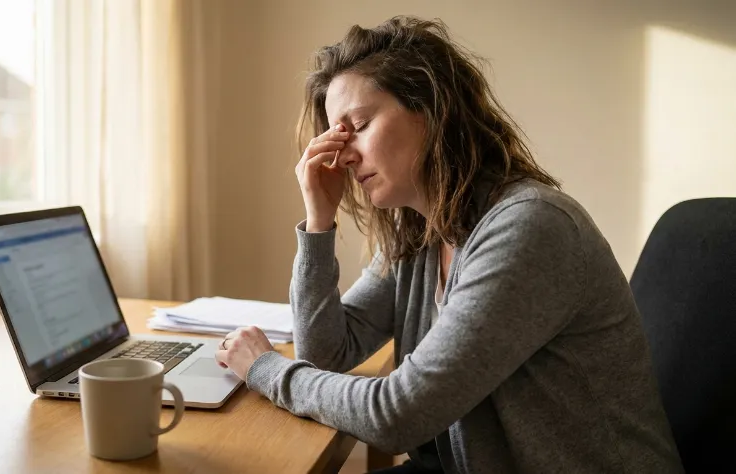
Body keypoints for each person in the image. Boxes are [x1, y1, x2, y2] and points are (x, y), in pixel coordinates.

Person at [214, 16, 684, 473]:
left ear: (432, 110)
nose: (344, 155)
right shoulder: (419, 231)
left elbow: (398, 415)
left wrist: (265, 370)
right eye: (337, 135)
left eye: (358, 125)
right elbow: (326, 355)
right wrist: (319, 224)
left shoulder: (530, 227)